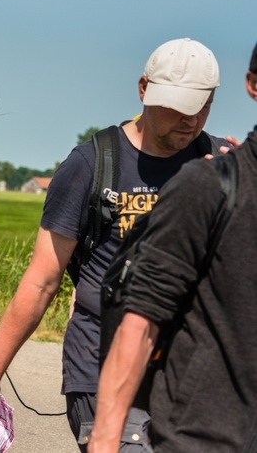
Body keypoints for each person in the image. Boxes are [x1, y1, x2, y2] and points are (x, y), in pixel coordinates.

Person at [0, 38, 227, 452]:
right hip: (101, 365)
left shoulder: (219, 164)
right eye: (176, 105)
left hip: (190, 373)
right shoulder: (91, 164)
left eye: (202, 105)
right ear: (144, 89)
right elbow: (42, 280)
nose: (189, 119)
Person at [89, 43, 257, 452]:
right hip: (206, 437)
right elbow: (140, 323)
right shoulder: (207, 187)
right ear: (253, 85)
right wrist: (105, 440)